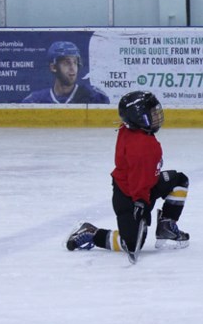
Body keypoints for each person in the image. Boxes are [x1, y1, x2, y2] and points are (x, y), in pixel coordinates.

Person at [66, 91, 190, 260]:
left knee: (179, 180)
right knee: (131, 244)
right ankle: (91, 233)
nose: (157, 116)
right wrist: (140, 204)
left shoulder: (131, 129)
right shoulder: (144, 147)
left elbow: (144, 178)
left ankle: (166, 226)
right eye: (152, 113)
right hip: (128, 196)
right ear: (139, 118)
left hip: (145, 187)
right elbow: (139, 183)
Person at [22, 40, 110, 104]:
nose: (72, 68)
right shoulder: (35, 100)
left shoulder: (94, 97)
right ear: (53, 67)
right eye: (67, 63)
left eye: (75, 62)